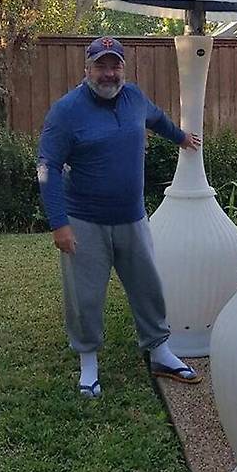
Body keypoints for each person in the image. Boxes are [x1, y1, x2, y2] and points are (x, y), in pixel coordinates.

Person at [36, 34, 198, 397]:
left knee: (148, 288)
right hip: (84, 221)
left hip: (133, 218)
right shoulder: (66, 111)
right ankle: (88, 363)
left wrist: (181, 137)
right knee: (84, 296)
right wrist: (59, 224)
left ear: (124, 68)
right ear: (87, 69)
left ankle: (160, 352)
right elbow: (48, 166)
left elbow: (157, 119)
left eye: (115, 65)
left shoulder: (134, 98)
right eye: (101, 66)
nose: (108, 73)